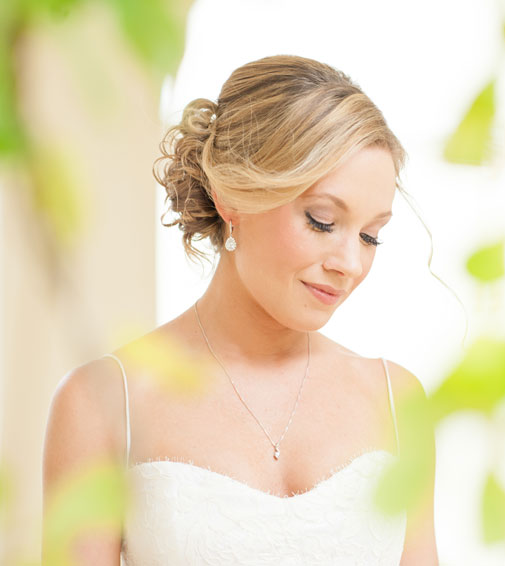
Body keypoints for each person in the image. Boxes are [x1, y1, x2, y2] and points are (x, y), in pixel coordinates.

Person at [42, 54, 438, 565]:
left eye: (370, 236)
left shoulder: (396, 400)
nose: (350, 264)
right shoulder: (102, 402)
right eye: (321, 221)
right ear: (234, 196)